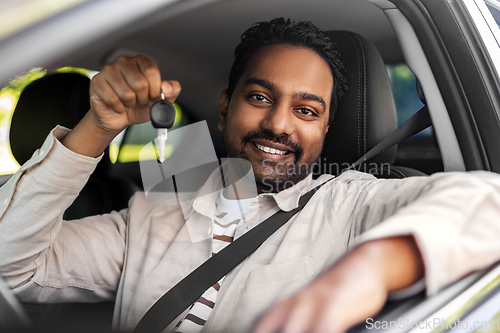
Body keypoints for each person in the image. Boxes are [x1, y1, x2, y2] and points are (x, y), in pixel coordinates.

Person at [1, 17, 500, 333]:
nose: (278, 124)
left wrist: (364, 274)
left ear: (327, 127)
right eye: (260, 97)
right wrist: (100, 126)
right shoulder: (157, 208)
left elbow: (487, 200)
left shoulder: (352, 205)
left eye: (306, 111)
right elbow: (12, 269)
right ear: (225, 107)